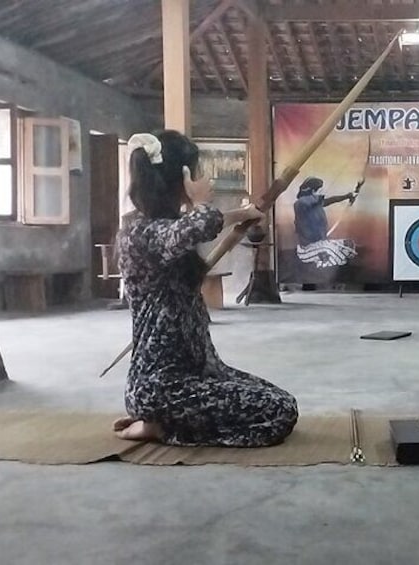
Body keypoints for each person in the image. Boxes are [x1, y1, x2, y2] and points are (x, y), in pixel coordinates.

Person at [113, 130, 298, 446]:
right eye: (196, 171)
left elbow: (191, 228)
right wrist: (199, 201)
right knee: (278, 413)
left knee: (279, 399)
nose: (203, 179)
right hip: (160, 387)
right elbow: (193, 227)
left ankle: (162, 423)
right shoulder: (138, 234)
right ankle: (164, 427)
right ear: (181, 178)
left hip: (196, 375)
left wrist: (243, 214)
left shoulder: (163, 227)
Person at [293, 176, 360, 268]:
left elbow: (329, 200)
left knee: (348, 244)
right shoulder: (300, 204)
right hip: (307, 248)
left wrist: (347, 196)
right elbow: (309, 202)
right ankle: (321, 263)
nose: (322, 193)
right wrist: (318, 199)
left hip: (321, 243)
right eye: (319, 190)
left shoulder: (315, 202)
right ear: (312, 191)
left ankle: (324, 258)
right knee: (332, 255)